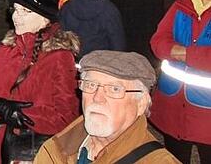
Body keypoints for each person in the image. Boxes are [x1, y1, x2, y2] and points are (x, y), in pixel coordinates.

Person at [0, 0, 80, 164]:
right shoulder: (6, 49)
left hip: (29, 151)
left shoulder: (60, 57)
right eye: (15, 10)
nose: (16, 17)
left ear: (45, 19)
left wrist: (22, 114)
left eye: (25, 11)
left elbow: (66, 116)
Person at [34, 50, 176, 163]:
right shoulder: (56, 148)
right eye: (91, 85)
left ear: (141, 103)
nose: (97, 98)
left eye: (114, 89)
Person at [149, 0, 211, 163]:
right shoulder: (182, 5)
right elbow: (158, 43)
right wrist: (194, 54)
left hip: (207, 112)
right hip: (173, 105)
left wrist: (183, 53)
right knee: (175, 158)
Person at [59, 0, 125, 59]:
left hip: (73, 57)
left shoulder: (66, 6)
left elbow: (61, 33)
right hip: (99, 62)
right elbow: (117, 42)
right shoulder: (109, 10)